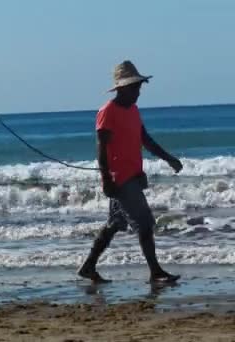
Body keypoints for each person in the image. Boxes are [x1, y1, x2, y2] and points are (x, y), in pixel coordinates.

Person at [77, 60, 183, 284]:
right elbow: (101, 147)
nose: (138, 91)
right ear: (122, 88)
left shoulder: (133, 110)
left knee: (114, 224)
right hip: (120, 179)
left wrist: (169, 158)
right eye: (135, 87)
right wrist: (106, 178)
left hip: (133, 175)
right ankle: (155, 272)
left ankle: (88, 267)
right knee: (144, 224)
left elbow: (146, 139)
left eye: (139, 86)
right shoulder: (108, 111)